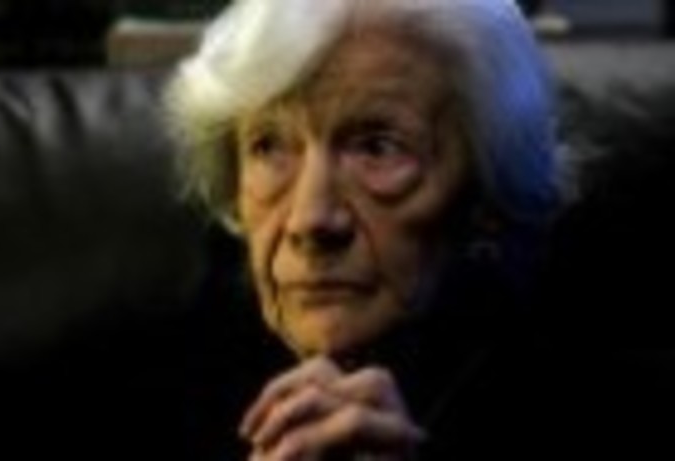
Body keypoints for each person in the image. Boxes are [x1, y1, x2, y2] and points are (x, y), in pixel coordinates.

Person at [163, 0, 562, 459]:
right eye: (269, 147)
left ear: (487, 190)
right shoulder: (161, 390)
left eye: (376, 147)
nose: (310, 219)